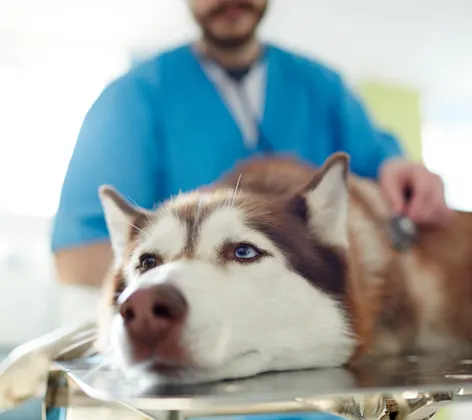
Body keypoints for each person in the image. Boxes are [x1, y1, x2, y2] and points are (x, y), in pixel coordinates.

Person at [51, 0, 452, 288]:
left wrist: (402, 176)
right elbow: (74, 259)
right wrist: (188, 265)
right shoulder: (131, 100)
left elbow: (381, 175)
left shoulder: (324, 89)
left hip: (322, 391)